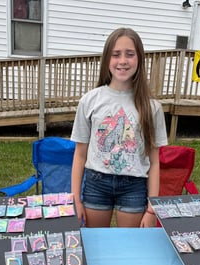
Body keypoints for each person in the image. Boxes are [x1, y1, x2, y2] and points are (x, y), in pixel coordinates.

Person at [70, 27, 168, 228]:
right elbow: (80, 155)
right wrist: (76, 200)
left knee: (130, 246)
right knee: (96, 244)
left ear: (139, 59)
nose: (123, 60)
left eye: (130, 54)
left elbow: (155, 161)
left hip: (134, 187)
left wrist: (151, 209)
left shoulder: (153, 108)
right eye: (116, 55)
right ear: (107, 60)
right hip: (96, 184)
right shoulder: (89, 101)